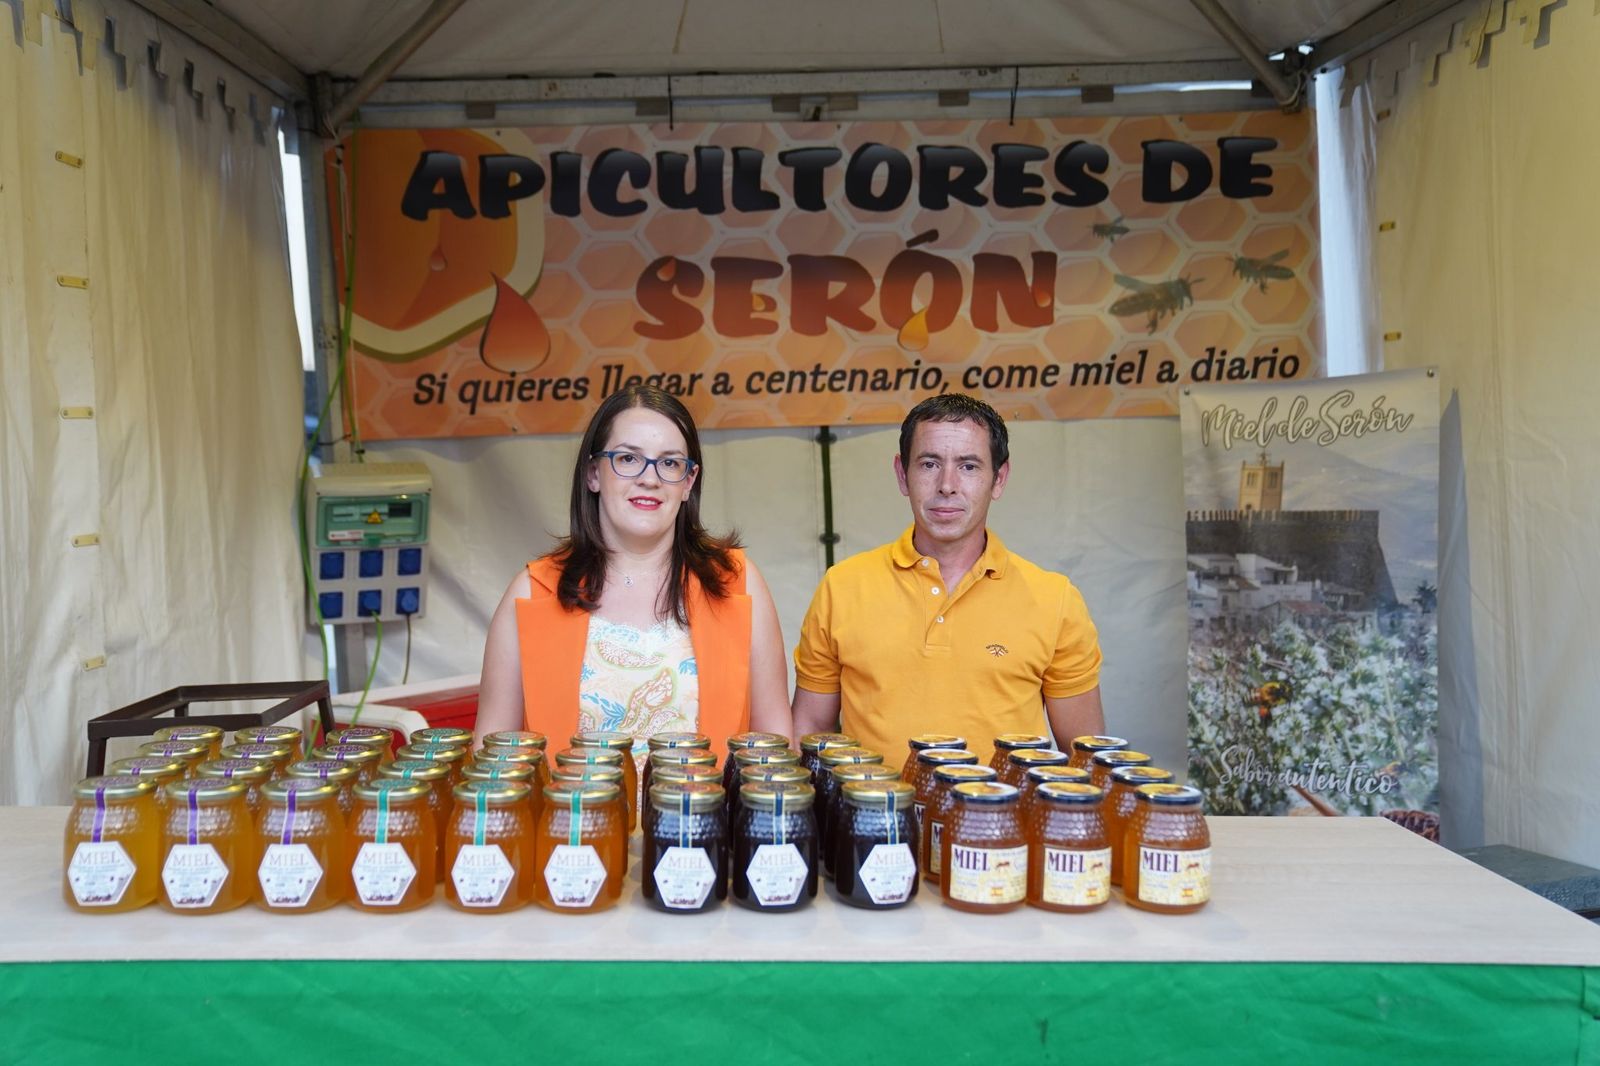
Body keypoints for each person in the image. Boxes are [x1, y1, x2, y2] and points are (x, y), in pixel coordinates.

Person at [474, 385, 792, 763]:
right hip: (574, 821)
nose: (649, 478)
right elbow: (491, 756)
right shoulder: (533, 591)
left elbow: (775, 744)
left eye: (670, 463)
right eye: (628, 459)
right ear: (593, 473)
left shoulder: (737, 581)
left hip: (706, 820)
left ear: (689, 483)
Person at [791, 394, 1105, 768]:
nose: (947, 485)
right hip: (875, 821)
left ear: (999, 478)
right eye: (929, 464)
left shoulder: (1055, 600)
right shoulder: (842, 587)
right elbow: (808, 732)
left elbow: (1086, 757)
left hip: (1001, 824)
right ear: (901, 474)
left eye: (969, 466)